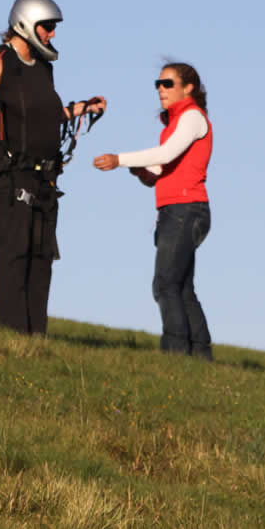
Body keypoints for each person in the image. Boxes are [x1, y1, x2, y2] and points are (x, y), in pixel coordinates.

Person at [0, 0, 106, 335]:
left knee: (41, 258)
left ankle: (35, 338)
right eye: (47, 26)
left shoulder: (44, 68)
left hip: (46, 179)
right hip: (11, 176)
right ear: (26, 23)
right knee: (15, 254)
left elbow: (47, 115)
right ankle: (12, 337)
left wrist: (83, 108)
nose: (52, 34)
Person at [93, 62, 214, 360]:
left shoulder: (192, 117)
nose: (161, 89)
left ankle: (175, 354)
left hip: (184, 210)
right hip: (181, 210)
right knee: (181, 288)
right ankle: (200, 358)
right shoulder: (174, 124)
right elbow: (160, 170)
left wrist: (119, 159)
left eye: (168, 83)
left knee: (165, 284)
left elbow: (166, 154)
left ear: (188, 88)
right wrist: (140, 171)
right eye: (158, 84)